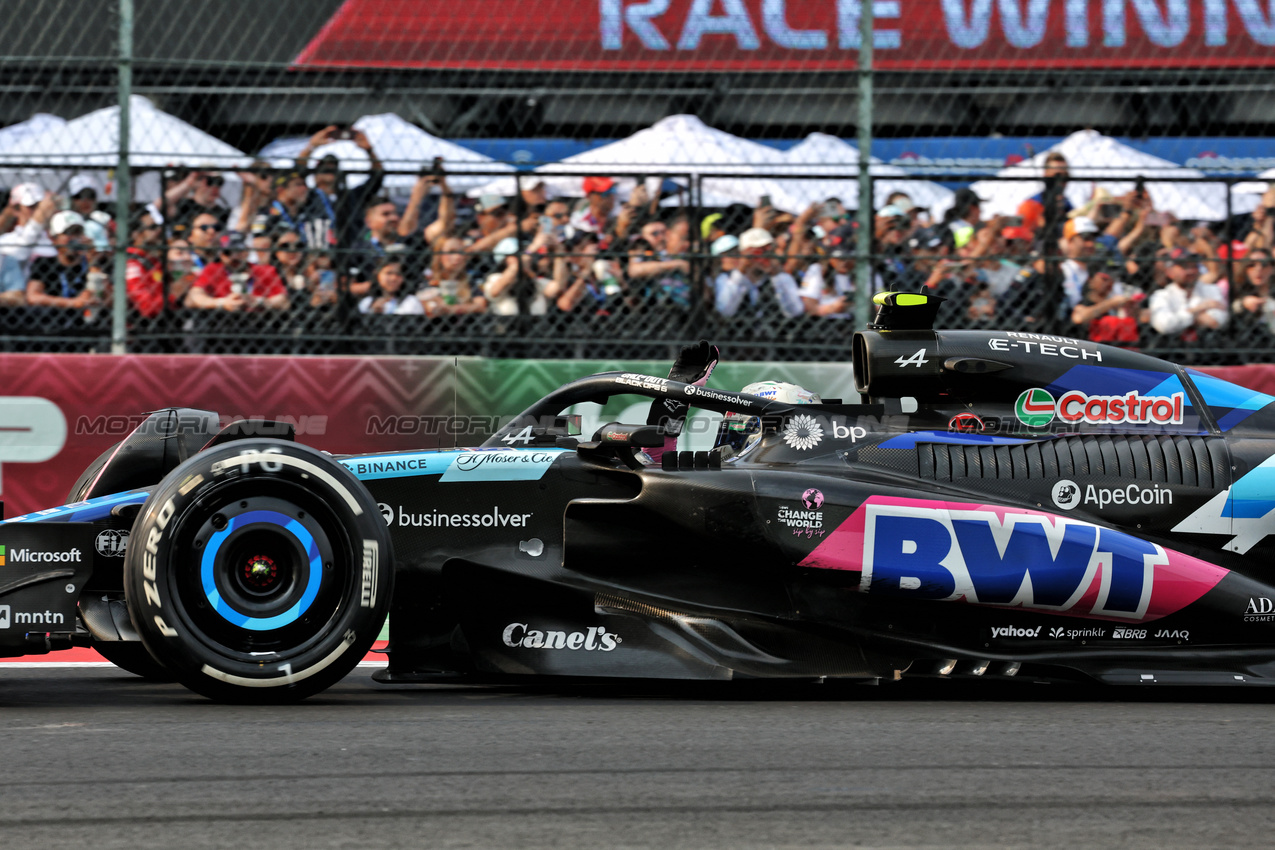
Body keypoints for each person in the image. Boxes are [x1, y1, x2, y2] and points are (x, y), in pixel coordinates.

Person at [296, 126, 386, 249]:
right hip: (317, 249)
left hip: (350, 249)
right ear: (315, 174)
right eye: (324, 168)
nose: (329, 171)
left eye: (333, 168)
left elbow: (377, 177)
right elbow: (297, 172)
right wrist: (311, 146)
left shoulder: (350, 196)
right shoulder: (307, 196)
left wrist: (368, 150)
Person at [186, 232, 288, 312]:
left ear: (247, 251)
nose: (234, 256)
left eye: (239, 251)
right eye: (228, 252)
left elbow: (283, 301)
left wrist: (259, 301)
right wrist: (222, 303)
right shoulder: (213, 269)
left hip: (258, 323)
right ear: (221, 255)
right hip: (221, 323)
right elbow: (194, 295)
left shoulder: (265, 270)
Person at [714, 228, 804, 319]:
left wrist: (777, 274)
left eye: (768, 251)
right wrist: (741, 272)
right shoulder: (727, 278)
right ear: (744, 255)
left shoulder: (782, 276)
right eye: (758, 252)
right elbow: (725, 310)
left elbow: (795, 311)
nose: (764, 257)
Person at [26, 212, 104, 312]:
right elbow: (32, 297)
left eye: (77, 232)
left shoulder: (91, 262)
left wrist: (93, 261)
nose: (73, 238)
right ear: (54, 239)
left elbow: (109, 298)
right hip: (52, 322)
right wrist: (73, 303)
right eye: (67, 233)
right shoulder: (45, 263)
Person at [1149, 248, 1228, 338]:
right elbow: (1165, 325)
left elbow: (1217, 321)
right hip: (1172, 347)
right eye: (1184, 267)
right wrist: (1198, 309)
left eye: (1194, 266)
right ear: (1169, 272)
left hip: (1208, 345)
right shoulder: (1161, 296)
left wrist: (1179, 318)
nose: (1191, 271)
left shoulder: (1212, 289)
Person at [126, 209, 190, 319]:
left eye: (160, 227)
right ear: (136, 235)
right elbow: (147, 308)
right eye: (152, 228)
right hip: (144, 328)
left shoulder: (154, 260)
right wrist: (174, 293)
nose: (159, 231)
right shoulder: (132, 263)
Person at [0, 183, 56, 305]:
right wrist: (37, 222)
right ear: (16, 209)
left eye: (39, 206)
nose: (38, 211)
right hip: (16, 309)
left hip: (50, 304)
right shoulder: (5, 240)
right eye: (31, 206)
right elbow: (18, 256)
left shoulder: (55, 240)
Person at [628, 218, 692, 310]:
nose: (661, 237)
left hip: (689, 309)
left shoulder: (688, 256)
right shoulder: (650, 257)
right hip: (661, 309)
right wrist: (677, 264)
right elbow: (634, 270)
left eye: (663, 232)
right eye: (655, 234)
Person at [415, 235, 487, 317]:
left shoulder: (469, 282)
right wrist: (468, 308)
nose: (458, 257)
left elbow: (481, 305)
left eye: (461, 252)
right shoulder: (429, 282)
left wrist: (450, 309)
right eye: (451, 252)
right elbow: (431, 309)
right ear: (439, 255)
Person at [1070, 270, 1146, 344]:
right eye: (1104, 279)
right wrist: (1111, 303)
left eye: (1112, 280)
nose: (1109, 283)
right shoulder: (1083, 303)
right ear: (1090, 280)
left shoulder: (1115, 307)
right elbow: (1079, 318)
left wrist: (1131, 309)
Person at [164, 168, 230, 232]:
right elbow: (163, 203)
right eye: (210, 182)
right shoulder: (183, 205)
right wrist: (188, 182)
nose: (214, 187)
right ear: (197, 182)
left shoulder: (223, 213)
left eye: (219, 183)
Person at [358, 256, 424, 315]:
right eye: (389, 273)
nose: (394, 278)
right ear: (377, 275)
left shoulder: (411, 302)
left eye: (398, 274)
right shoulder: (366, 303)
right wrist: (373, 313)